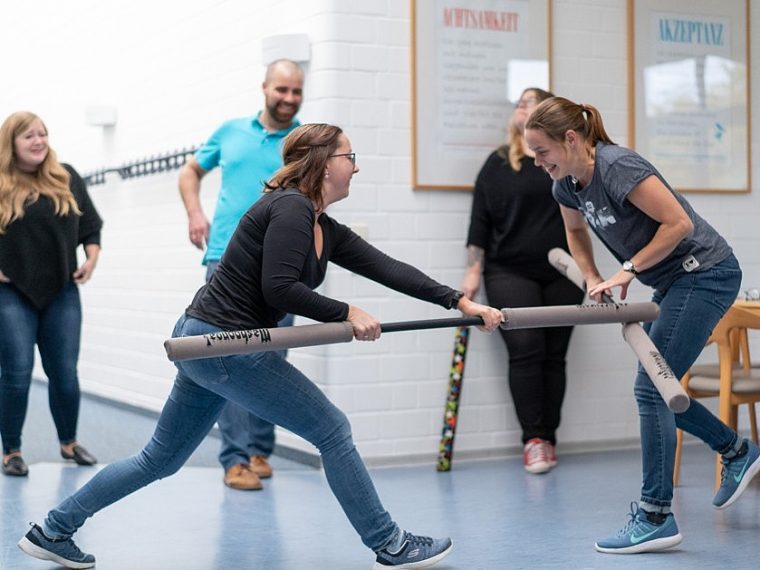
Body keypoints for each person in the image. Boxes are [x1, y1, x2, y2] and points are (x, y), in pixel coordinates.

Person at [18, 123, 504, 569]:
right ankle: (390, 543)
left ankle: (53, 529)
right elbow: (280, 289)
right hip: (225, 344)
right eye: (349, 156)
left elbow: (388, 267)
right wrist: (347, 313)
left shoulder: (320, 224)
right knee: (332, 429)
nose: (355, 166)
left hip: (206, 341)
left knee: (159, 459)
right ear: (322, 162)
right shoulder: (291, 208)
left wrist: (459, 302)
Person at [524, 97, 760, 554]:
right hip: (672, 281)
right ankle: (736, 452)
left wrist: (627, 270)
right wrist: (593, 277)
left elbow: (678, 223)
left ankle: (656, 515)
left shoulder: (617, 167)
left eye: (541, 152)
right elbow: (574, 234)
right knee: (659, 385)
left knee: (652, 387)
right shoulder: (566, 186)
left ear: (570, 139)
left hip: (704, 272)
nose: (537, 162)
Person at [178, 58, 304, 491]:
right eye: (281, 90)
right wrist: (195, 212)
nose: (288, 99)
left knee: (271, 358)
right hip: (226, 261)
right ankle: (234, 458)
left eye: (296, 92)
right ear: (264, 87)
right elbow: (191, 171)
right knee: (229, 358)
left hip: (282, 264)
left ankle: (258, 451)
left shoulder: (303, 141)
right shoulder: (230, 132)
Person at [462, 88, 584, 475]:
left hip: (562, 271)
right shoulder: (496, 163)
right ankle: (533, 440)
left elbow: (583, 219)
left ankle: (549, 437)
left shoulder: (562, 164)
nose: (521, 105)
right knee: (527, 348)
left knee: (554, 355)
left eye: (531, 102)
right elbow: (479, 219)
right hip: (508, 270)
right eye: (519, 102)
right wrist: (473, 270)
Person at [0, 111, 102, 477]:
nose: (39, 141)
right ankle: (11, 450)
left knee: (64, 372)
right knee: (17, 371)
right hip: (11, 292)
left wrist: (91, 257)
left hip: (61, 290)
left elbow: (91, 225)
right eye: (29, 136)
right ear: (12, 143)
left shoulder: (66, 176)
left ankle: (69, 443)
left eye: (42, 134)